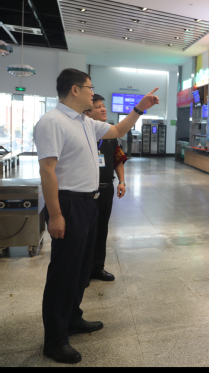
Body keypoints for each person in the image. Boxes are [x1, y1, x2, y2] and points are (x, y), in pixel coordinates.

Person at [34, 68, 159, 364]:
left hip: (90, 203)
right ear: (75, 90)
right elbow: (47, 171)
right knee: (64, 272)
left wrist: (139, 108)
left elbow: (118, 131)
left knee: (81, 270)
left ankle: (72, 318)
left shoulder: (85, 122)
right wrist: (55, 215)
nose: (93, 93)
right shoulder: (52, 121)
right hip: (69, 203)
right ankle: (55, 340)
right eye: (90, 88)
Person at [83, 94, 128, 283]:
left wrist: (121, 181)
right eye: (98, 107)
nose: (103, 109)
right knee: (86, 231)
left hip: (106, 189)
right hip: (86, 191)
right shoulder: (82, 133)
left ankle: (98, 267)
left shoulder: (111, 135)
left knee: (102, 229)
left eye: (103, 106)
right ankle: (84, 271)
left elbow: (118, 159)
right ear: (87, 112)